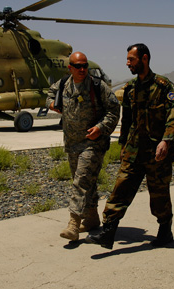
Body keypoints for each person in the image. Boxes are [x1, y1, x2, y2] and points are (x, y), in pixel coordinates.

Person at [86, 43, 174, 249]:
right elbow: (126, 121)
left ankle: (165, 229)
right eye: (127, 59)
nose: (127, 63)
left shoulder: (163, 86)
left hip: (157, 153)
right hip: (134, 151)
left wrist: (166, 140)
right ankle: (108, 232)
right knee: (120, 189)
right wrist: (122, 145)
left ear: (144, 59)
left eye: (131, 59)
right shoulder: (130, 89)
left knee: (159, 194)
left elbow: (173, 116)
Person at [46, 51, 120, 242]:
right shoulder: (63, 84)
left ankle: (73, 223)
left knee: (80, 182)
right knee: (87, 182)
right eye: (77, 66)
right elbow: (49, 93)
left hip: (92, 143)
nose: (82, 69)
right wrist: (52, 103)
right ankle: (92, 218)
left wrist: (101, 127)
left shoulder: (97, 85)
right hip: (72, 143)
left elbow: (114, 109)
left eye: (85, 65)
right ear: (69, 68)